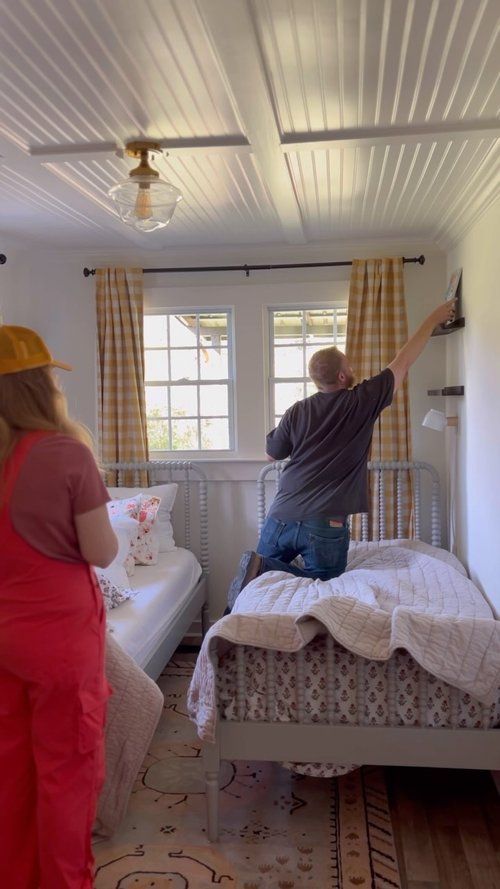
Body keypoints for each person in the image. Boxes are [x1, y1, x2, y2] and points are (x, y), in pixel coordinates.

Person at [226, 296, 457, 610]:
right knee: (327, 582)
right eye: (349, 366)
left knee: (256, 586)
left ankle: (250, 586)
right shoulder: (359, 401)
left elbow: (272, 455)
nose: (353, 369)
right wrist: (432, 318)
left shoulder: (297, 410)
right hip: (324, 522)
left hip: (280, 515)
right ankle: (263, 568)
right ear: (341, 377)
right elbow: (402, 362)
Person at [0, 325, 118, 888]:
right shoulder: (65, 453)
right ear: (37, 385)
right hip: (58, 640)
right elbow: (100, 550)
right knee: (67, 773)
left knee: (11, 773)